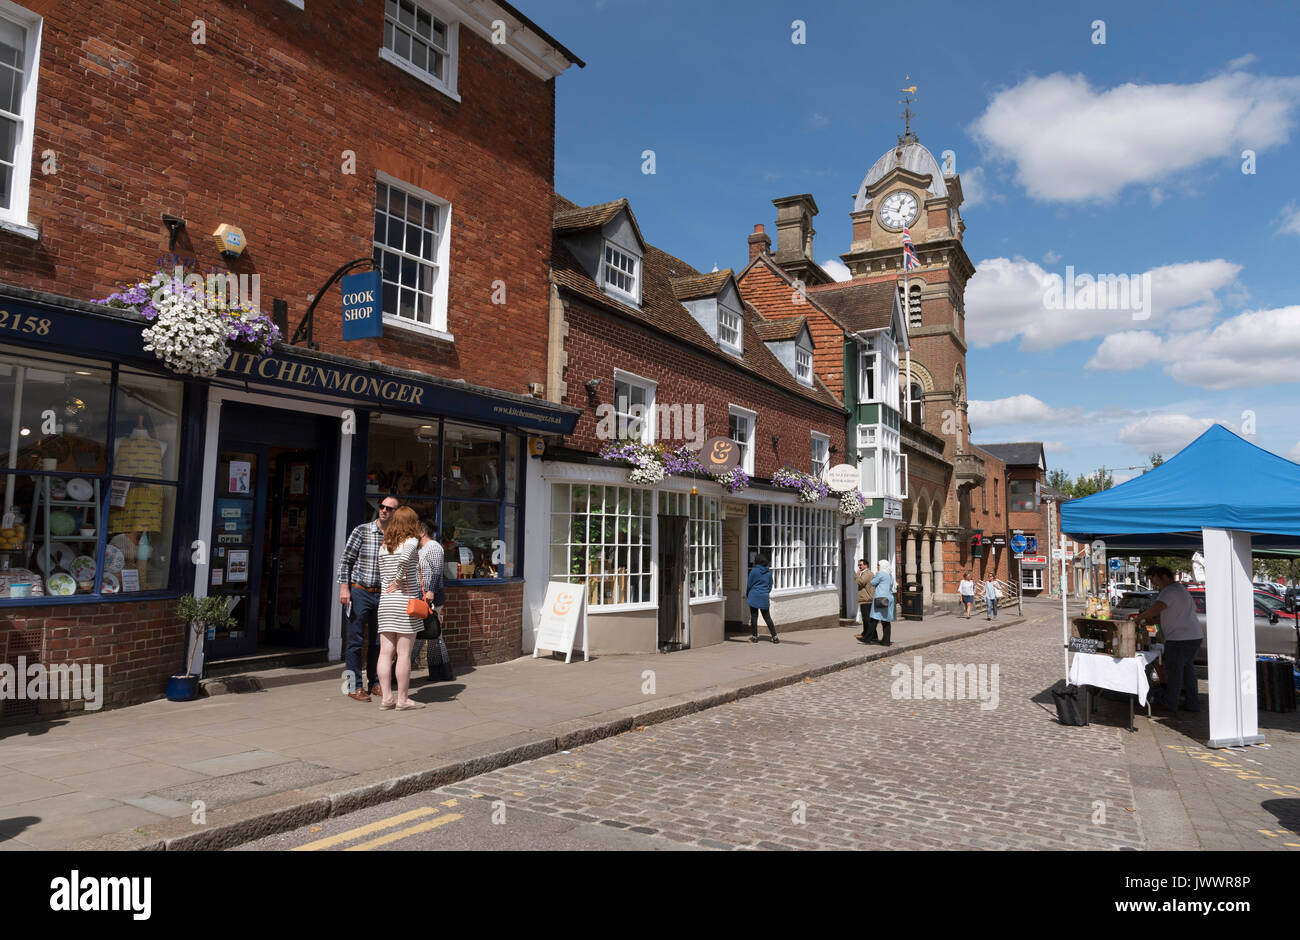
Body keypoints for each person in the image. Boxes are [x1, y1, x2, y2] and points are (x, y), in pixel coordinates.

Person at [337, 495, 399, 701]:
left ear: (395, 513)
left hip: (383, 594)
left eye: (389, 509)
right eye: (382, 507)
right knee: (355, 641)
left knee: (378, 642)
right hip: (360, 591)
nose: (384, 511)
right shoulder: (362, 530)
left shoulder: (394, 535)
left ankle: (375, 683)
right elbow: (346, 561)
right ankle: (354, 687)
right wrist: (344, 588)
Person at [1135, 565, 1203, 714]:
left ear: (1163, 577)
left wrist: (1138, 618)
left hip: (1180, 638)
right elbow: (1175, 614)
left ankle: (1170, 703)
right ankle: (1193, 703)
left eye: (1154, 579)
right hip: (1193, 636)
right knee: (1187, 671)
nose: (1154, 583)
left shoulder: (1169, 591)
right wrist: (1157, 622)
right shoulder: (1180, 590)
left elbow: (1156, 608)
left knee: (1175, 672)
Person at [377, 506, 426, 710]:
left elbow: (382, 575)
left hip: (385, 602)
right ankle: (403, 699)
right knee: (404, 654)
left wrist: (392, 582)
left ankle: (386, 697)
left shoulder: (384, 545)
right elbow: (406, 559)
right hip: (405, 601)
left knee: (385, 652)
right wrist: (398, 580)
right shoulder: (411, 541)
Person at [410, 518, 451, 681]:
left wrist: (430, 591)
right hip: (423, 596)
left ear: (422, 532)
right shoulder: (422, 549)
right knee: (427, 633)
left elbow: (436, 571)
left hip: (431, 597)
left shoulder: (433, 547)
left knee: (431, 633)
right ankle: (440, 672)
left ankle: (441, 671)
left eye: (415, 531)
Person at [745, 553, 778, 643]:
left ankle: (755, 637)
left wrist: (747, 593)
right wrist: (766, 592)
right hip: (764, 596)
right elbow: (770, 585)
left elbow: (749, 584)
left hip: (754, 595)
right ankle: (774, 636)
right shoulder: (768, 572)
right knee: (767, 617)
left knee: (754, 617)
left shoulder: (754, 571)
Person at [870, 559, 896, 646]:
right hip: (888, 598)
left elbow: (873, 583)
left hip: (880, 598)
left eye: (878, 565)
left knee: (874, 618)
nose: (877, 566)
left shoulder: (880, 573)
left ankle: (867, 637)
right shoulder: (889, 575)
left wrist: (876, 574)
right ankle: (886, 641)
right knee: (886, 621)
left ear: (882, 566)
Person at [854, 558, 877, 643]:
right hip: (865, 599)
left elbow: (861, 582)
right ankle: (871, 635)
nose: (859, 566)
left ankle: (869, 636)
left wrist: (857, 575)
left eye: (860, 565)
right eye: (858, 565)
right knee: (866, 619)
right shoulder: (864, 573)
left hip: (867, 599)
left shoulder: (867, 573)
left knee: (867, 619)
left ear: (866, 565)